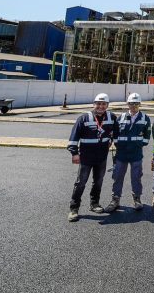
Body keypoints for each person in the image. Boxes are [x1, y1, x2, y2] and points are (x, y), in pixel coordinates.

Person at [67, 93, 118, 222]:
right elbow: (73, 138)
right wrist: (74, 153)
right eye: (98, 104)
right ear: (94, 104)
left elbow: (115, 132)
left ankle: (94, 204)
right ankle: (74, 209)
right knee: (81, 183)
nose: (101, 106)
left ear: (107, 105)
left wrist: (111, 140)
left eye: (104, 104)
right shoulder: (83, 118)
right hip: (86, 157)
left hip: (101, 156)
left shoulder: (112, 117)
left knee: (98, 181)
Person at [104, 93, 151, 213]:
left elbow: (147, 136)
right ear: (127, 104)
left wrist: (140, 144)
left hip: (136, 153)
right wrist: (118, 144)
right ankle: (115, 199)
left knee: (136, 177)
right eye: (131, 103)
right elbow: (115, 134)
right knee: (118, 177)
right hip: (122, 154)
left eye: (136, 103)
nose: (133, 106)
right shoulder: (121, 118)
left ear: (139, 104)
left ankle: (137, 199)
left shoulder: (145, 118)